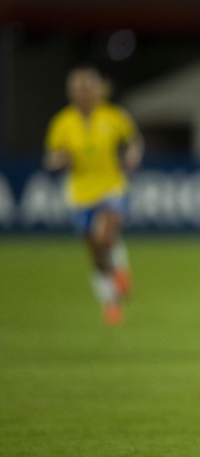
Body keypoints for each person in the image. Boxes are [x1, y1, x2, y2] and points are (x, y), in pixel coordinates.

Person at [44, 66, 143, 326]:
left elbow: (133, 140)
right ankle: (111, 301)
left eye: (89, 88)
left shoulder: (113, 116)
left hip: (112, 186)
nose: (85, 93)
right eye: (80, 89)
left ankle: (120, 271)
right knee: (96, 252)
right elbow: (52, 157)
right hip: (80, 194)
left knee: (106, 236)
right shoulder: (62, 123)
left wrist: (133, 155)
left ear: (98, 90)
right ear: (72, 93)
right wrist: (59, 160)